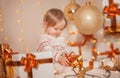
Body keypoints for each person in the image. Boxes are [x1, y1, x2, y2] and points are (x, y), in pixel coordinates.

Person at [36, 8, 76, 77]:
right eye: (55, 28)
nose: (58, 31)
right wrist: (60, 58)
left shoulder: (60, 39)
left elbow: (66, 48)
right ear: (45, 25)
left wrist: (71, 54)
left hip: (60, 64)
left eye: (61, 29)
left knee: (74, 68)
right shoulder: (43, 40)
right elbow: (49, 51)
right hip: (49, 67)